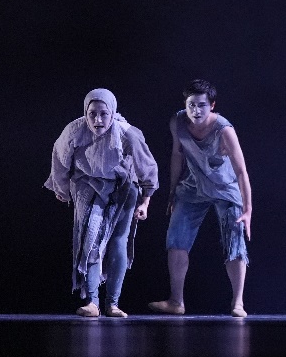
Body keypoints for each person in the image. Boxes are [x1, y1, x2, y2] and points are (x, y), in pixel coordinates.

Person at [45, 88, 159, 317]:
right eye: (92, 114)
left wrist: (145, 202)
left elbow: (147, 167)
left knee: (118, 242)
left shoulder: (127, 133)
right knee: (91, 239)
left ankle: (113, 303)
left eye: (103, 114)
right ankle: (93, 302)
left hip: (122, 185)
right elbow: (60, 158)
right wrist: (61, 188)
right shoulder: (74, 130)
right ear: (85, 114)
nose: (98, 120)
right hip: (88, 184)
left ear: (112, 113)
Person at [149, 79, 253, 318]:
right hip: (193, 186)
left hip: (225, 187)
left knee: (235, 241)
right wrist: (173, 191)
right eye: (191, 105)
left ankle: (238, 302)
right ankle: (176, 301)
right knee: (176, 238)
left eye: (202, 105)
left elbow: (241, 171)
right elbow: (177, 154)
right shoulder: (178, 122)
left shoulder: (224, 130)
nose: (196, 111)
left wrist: (247, 209)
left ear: (212, 105)